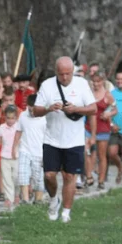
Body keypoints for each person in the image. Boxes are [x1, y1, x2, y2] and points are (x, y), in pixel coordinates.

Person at [33, 57, 97, 223]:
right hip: (52, 139)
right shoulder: (47, 85)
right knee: (49, 175)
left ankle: (66, 214)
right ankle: (54, 200)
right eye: (61, 74)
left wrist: (75, 109)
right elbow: (35, 111)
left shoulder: (82, 84)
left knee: (69, 177)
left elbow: (93, 109)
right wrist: (48, 109)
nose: (65, 77)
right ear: (56, 72)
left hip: (74, 140)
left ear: (73, 71)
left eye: (68, 74)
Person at [86, 71, 117, 190]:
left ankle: (101, 180)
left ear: (103, 81)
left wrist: (109, 114)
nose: (96, 84)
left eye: (98, 81)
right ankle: (89, 176)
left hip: (103, 128)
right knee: (86, 151)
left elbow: (115, 109)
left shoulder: (107, 95)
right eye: (94, 81)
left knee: (101, 155)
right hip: (89, 127)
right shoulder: (89, 93)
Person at [17, 94, 47, 204]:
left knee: (38, 178)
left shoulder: (45, 118)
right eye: (30, 109)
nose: (32, 112)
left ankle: (38, 199)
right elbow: (19, 131)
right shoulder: (23, 116)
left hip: (40, 152)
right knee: (22, 174)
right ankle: (25, 199)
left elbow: (49, 137)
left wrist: (47, 154)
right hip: (25, 150)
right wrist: (14, 147)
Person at [0, 105, 21, 209]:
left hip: (16, 156)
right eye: (8, 118)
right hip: (4, 156)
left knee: (16, 177)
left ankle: (17, 194)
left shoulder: (19, 127)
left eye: (12, 118)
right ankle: (9, 199)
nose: (10, 121)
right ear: (5, 117)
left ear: (16, 118)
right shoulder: (2, 127)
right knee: (6, 178)